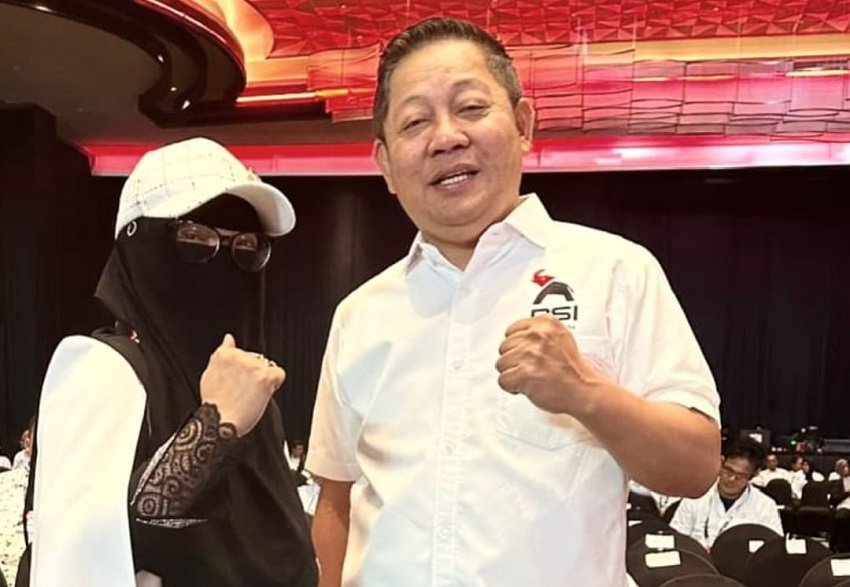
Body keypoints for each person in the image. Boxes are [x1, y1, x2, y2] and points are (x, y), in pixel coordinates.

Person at [306, 17, 721, 587]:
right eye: (415, 121)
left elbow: (696, 467)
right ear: (385, 164)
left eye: (471, 108)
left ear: (524, 125)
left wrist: (586, 392)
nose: (446, 137)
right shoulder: (360, 313)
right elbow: (336, 502)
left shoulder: (615, 271)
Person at [30, 138, 317, 587]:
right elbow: (80, 551)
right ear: (141, 246)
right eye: (195, 239)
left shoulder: (245, 377)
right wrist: (215, 426)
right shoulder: (104, 368)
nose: (225, 263)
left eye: (247, 247)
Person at [670, 439, 783, 548]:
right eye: (728, 470)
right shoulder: (696, 496)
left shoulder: (765, 506)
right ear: (721, 462)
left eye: (740, 475)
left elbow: (773, 549)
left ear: (754, 474)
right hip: (697, 559)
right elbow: (676, 539)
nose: (731, 479)